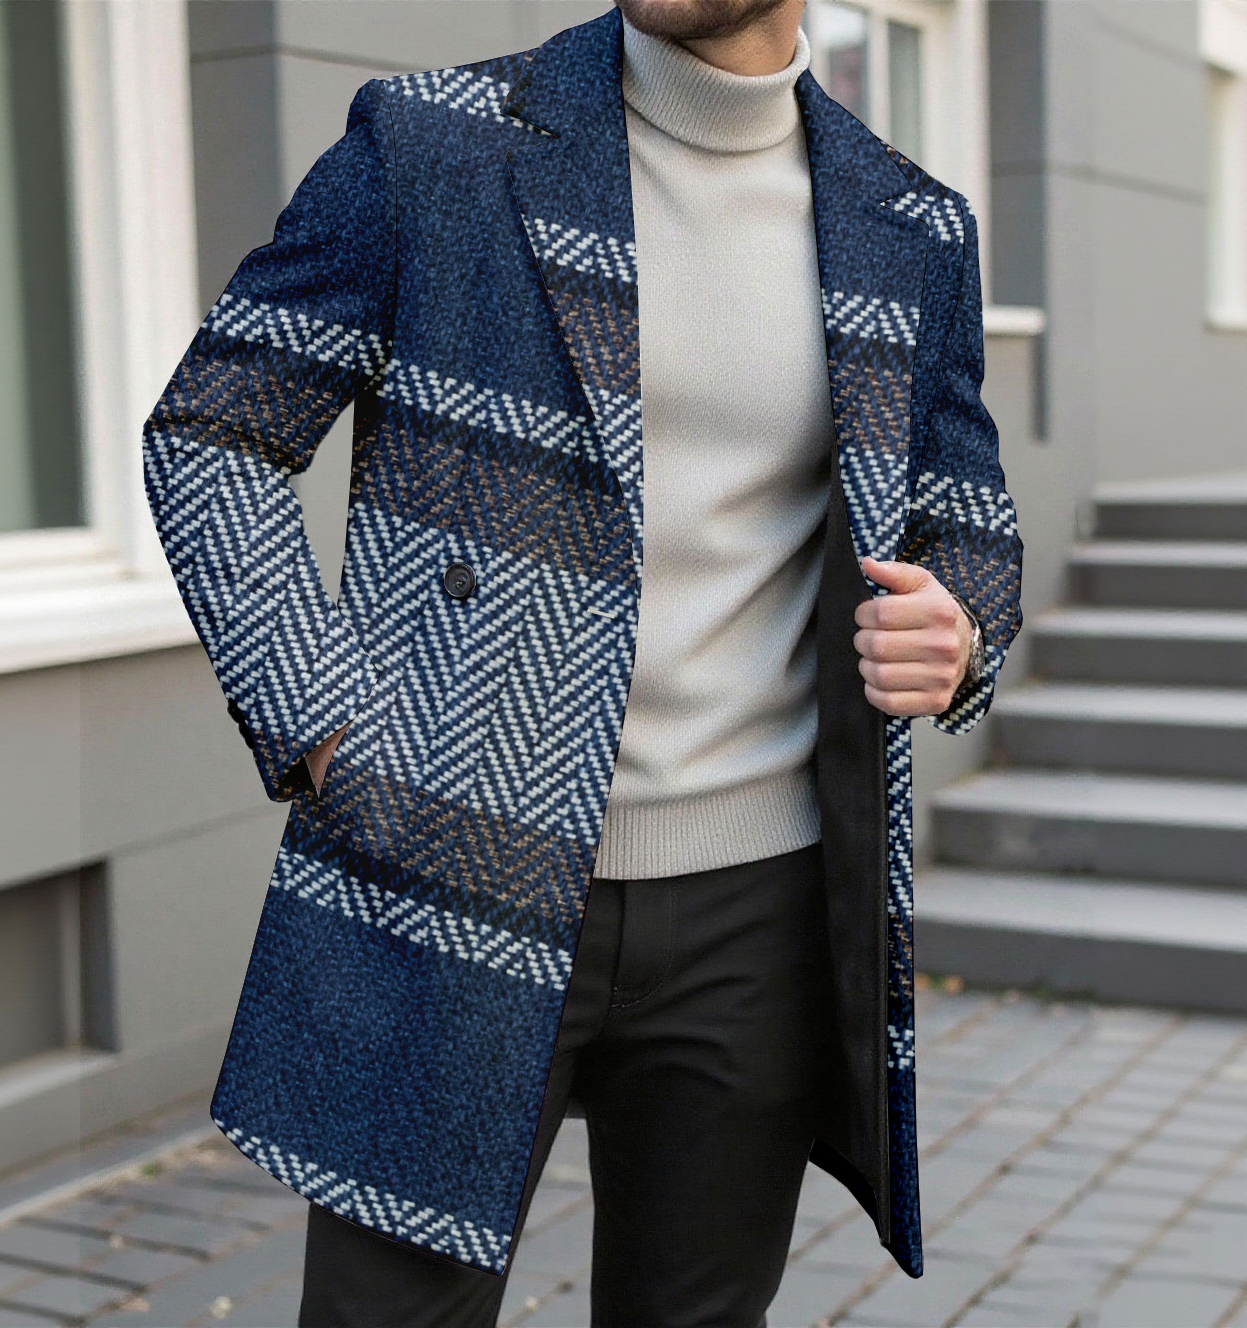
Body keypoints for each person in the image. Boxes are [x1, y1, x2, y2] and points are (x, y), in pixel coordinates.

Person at [142, 0, 1022, 1323]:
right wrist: (326, 730)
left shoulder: (910, 226)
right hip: (449, 858)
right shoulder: (434, 146)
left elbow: (970, 525)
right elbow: (214, 430)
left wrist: (959, 631)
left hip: (759, 905)